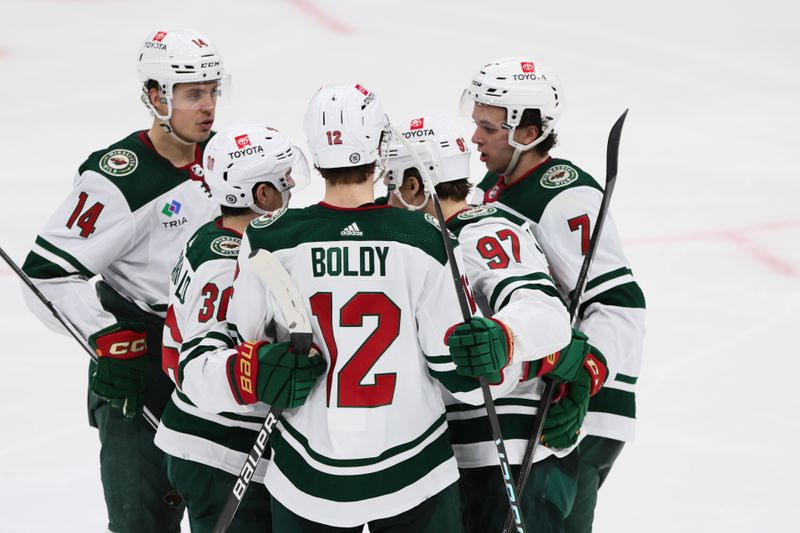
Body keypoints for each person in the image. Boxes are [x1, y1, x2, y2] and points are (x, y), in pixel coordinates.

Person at [225, 83, 517, 532]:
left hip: (307, 476)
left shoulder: (269, 238)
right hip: (415, 470)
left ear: (315, 152)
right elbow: (459, 372)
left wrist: (258, 366)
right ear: (381, 150)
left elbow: (237, 344)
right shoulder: (425, 237)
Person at [20, 28, 229, 532]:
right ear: (157, 97)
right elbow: (45, 277)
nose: (209, 107)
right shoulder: (119, 179)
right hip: (139, 368)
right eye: (193, 94)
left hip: (213, 360)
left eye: (213, 91)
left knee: (229, 516)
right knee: (142, 523)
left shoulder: (227, 162)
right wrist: (103, 334)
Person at [384, 115, 609, 532]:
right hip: (460, 460)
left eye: (390, 186)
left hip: (513, 456)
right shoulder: (421, 247)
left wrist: (506, 338)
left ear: (413, 187)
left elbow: (540, 309)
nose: (385, 201)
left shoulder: (479, 231)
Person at [461, 56, 647, 532]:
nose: (475, 137)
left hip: (580, 416)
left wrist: (585, 376)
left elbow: (619, 306)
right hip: (534, 408)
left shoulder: (565, 196)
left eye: (488, 126)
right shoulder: (491, 188)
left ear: (527, 132)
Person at [154, 125, 310, 532]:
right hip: (217, 449)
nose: (292, 184)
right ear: (260, 195)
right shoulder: (227, 263)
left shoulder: (218, 234)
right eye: (283, 178)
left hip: (209, 442)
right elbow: (202, 359)